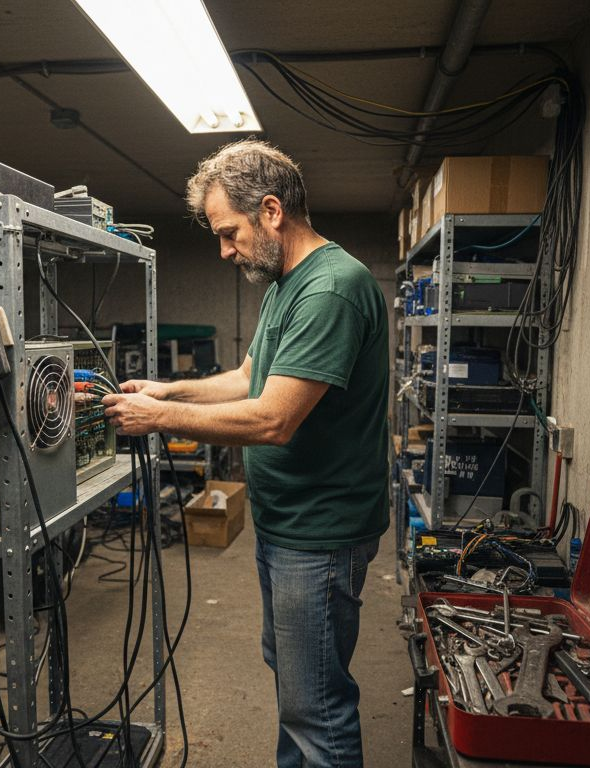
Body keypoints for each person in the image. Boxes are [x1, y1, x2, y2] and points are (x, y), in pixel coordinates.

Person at [101, 139, 389, 767]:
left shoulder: (330, 290)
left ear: (270, 210)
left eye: (229, 232)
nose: (225, 250)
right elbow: (248, 377)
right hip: (286, 524)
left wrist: (158, 418)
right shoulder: (284, 285)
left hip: (320, 533)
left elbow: (273, 419)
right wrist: (167, 387)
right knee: (296, 686)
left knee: (317, 707)